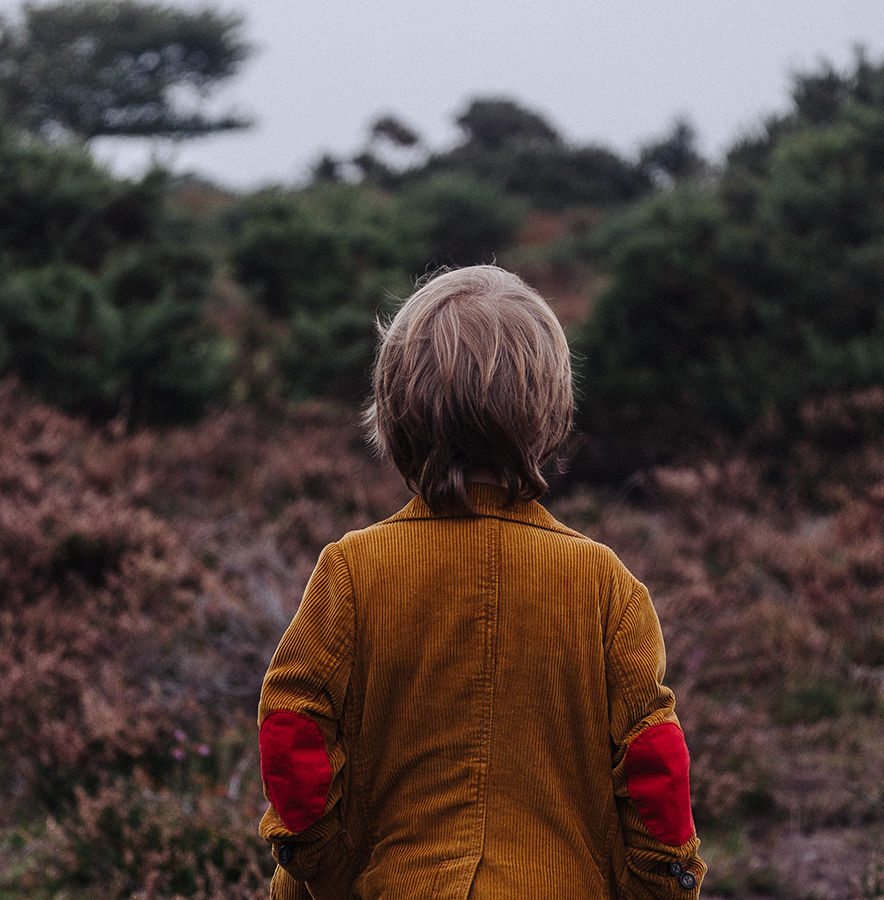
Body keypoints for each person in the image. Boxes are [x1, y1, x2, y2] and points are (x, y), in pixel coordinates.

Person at [257, 265, 705, 898]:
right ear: (550, 411)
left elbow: (292, 728)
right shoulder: (605, 583)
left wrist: (329, 866)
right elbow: (654, 762)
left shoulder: (352, 569)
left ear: (394, 411)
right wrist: (662, 887)